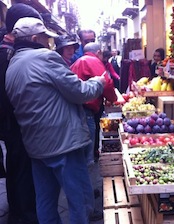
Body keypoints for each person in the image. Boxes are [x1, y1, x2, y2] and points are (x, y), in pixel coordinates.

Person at [6, 17, 106, 223]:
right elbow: (79, 92)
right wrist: (99, 82)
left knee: (45, 200)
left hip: (36, 145)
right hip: (63, 144)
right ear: (35, 38)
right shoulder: (45, 57)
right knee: (78, 199)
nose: (49, 43)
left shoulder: (13, 64)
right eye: (45, 38)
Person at [0, 4, 44, 224]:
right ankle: (24, 215)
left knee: (17, 165)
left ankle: (18, 210)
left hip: (13, 120)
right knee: (22, 167)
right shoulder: (6, 52)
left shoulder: (9, 49)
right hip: (16, 120)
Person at [71, 43, 117, 166]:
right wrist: (113, 98)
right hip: (87, 108)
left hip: (76, 106)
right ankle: (89, 170)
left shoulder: (78, 62)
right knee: (88, 139)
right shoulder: (92, 61)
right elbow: (106, 83)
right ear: (98, 53)